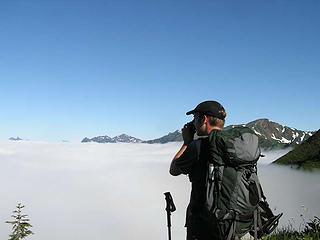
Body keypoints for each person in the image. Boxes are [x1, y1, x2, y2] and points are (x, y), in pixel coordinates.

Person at [169, 100, 227, 240]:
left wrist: (186, 142)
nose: (193, 123)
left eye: (195, 118)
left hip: (203, 221)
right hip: (230, 220)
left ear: (204, 119)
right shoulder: (234, 145)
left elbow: (174, 169)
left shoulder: (198, 147)